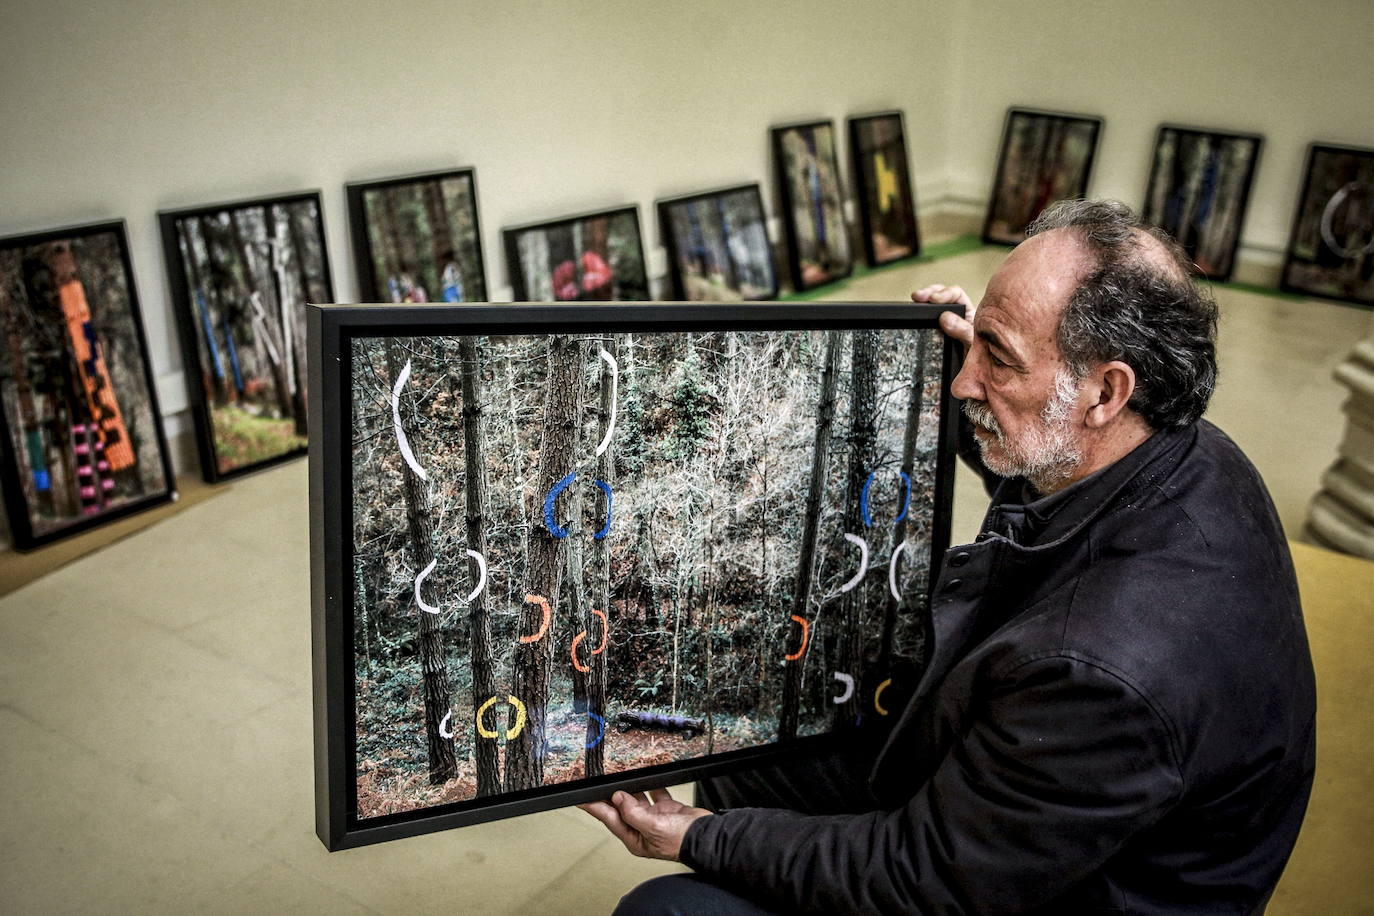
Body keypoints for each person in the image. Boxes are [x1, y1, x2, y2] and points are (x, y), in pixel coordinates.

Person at [580, 199, 1317, 915]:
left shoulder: (1103, 674)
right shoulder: (1178, 447)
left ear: (1105, 391)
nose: (965, 379)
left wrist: (697, 840)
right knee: (747, 766)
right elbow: (1042, 471)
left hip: (1075, 889)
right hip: (1044, 803)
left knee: (669, 906)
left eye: (996, 356)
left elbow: (926, 879)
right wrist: (966, 370)